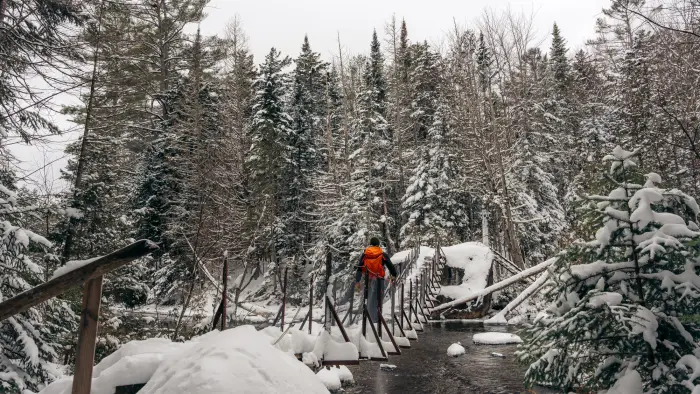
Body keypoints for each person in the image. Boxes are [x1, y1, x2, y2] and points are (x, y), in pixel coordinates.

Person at [354, 237, 397, 323]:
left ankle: (367, 319)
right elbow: (391, 267)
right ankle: (377, 320)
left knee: (368, 298)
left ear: (370, 244)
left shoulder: (365, 254)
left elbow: (359, 268)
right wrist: (394, 275)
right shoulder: (382, 254)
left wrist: (357, 281)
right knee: (378, 299)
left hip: (368, 280)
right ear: (378, 244)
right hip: (379, 279)